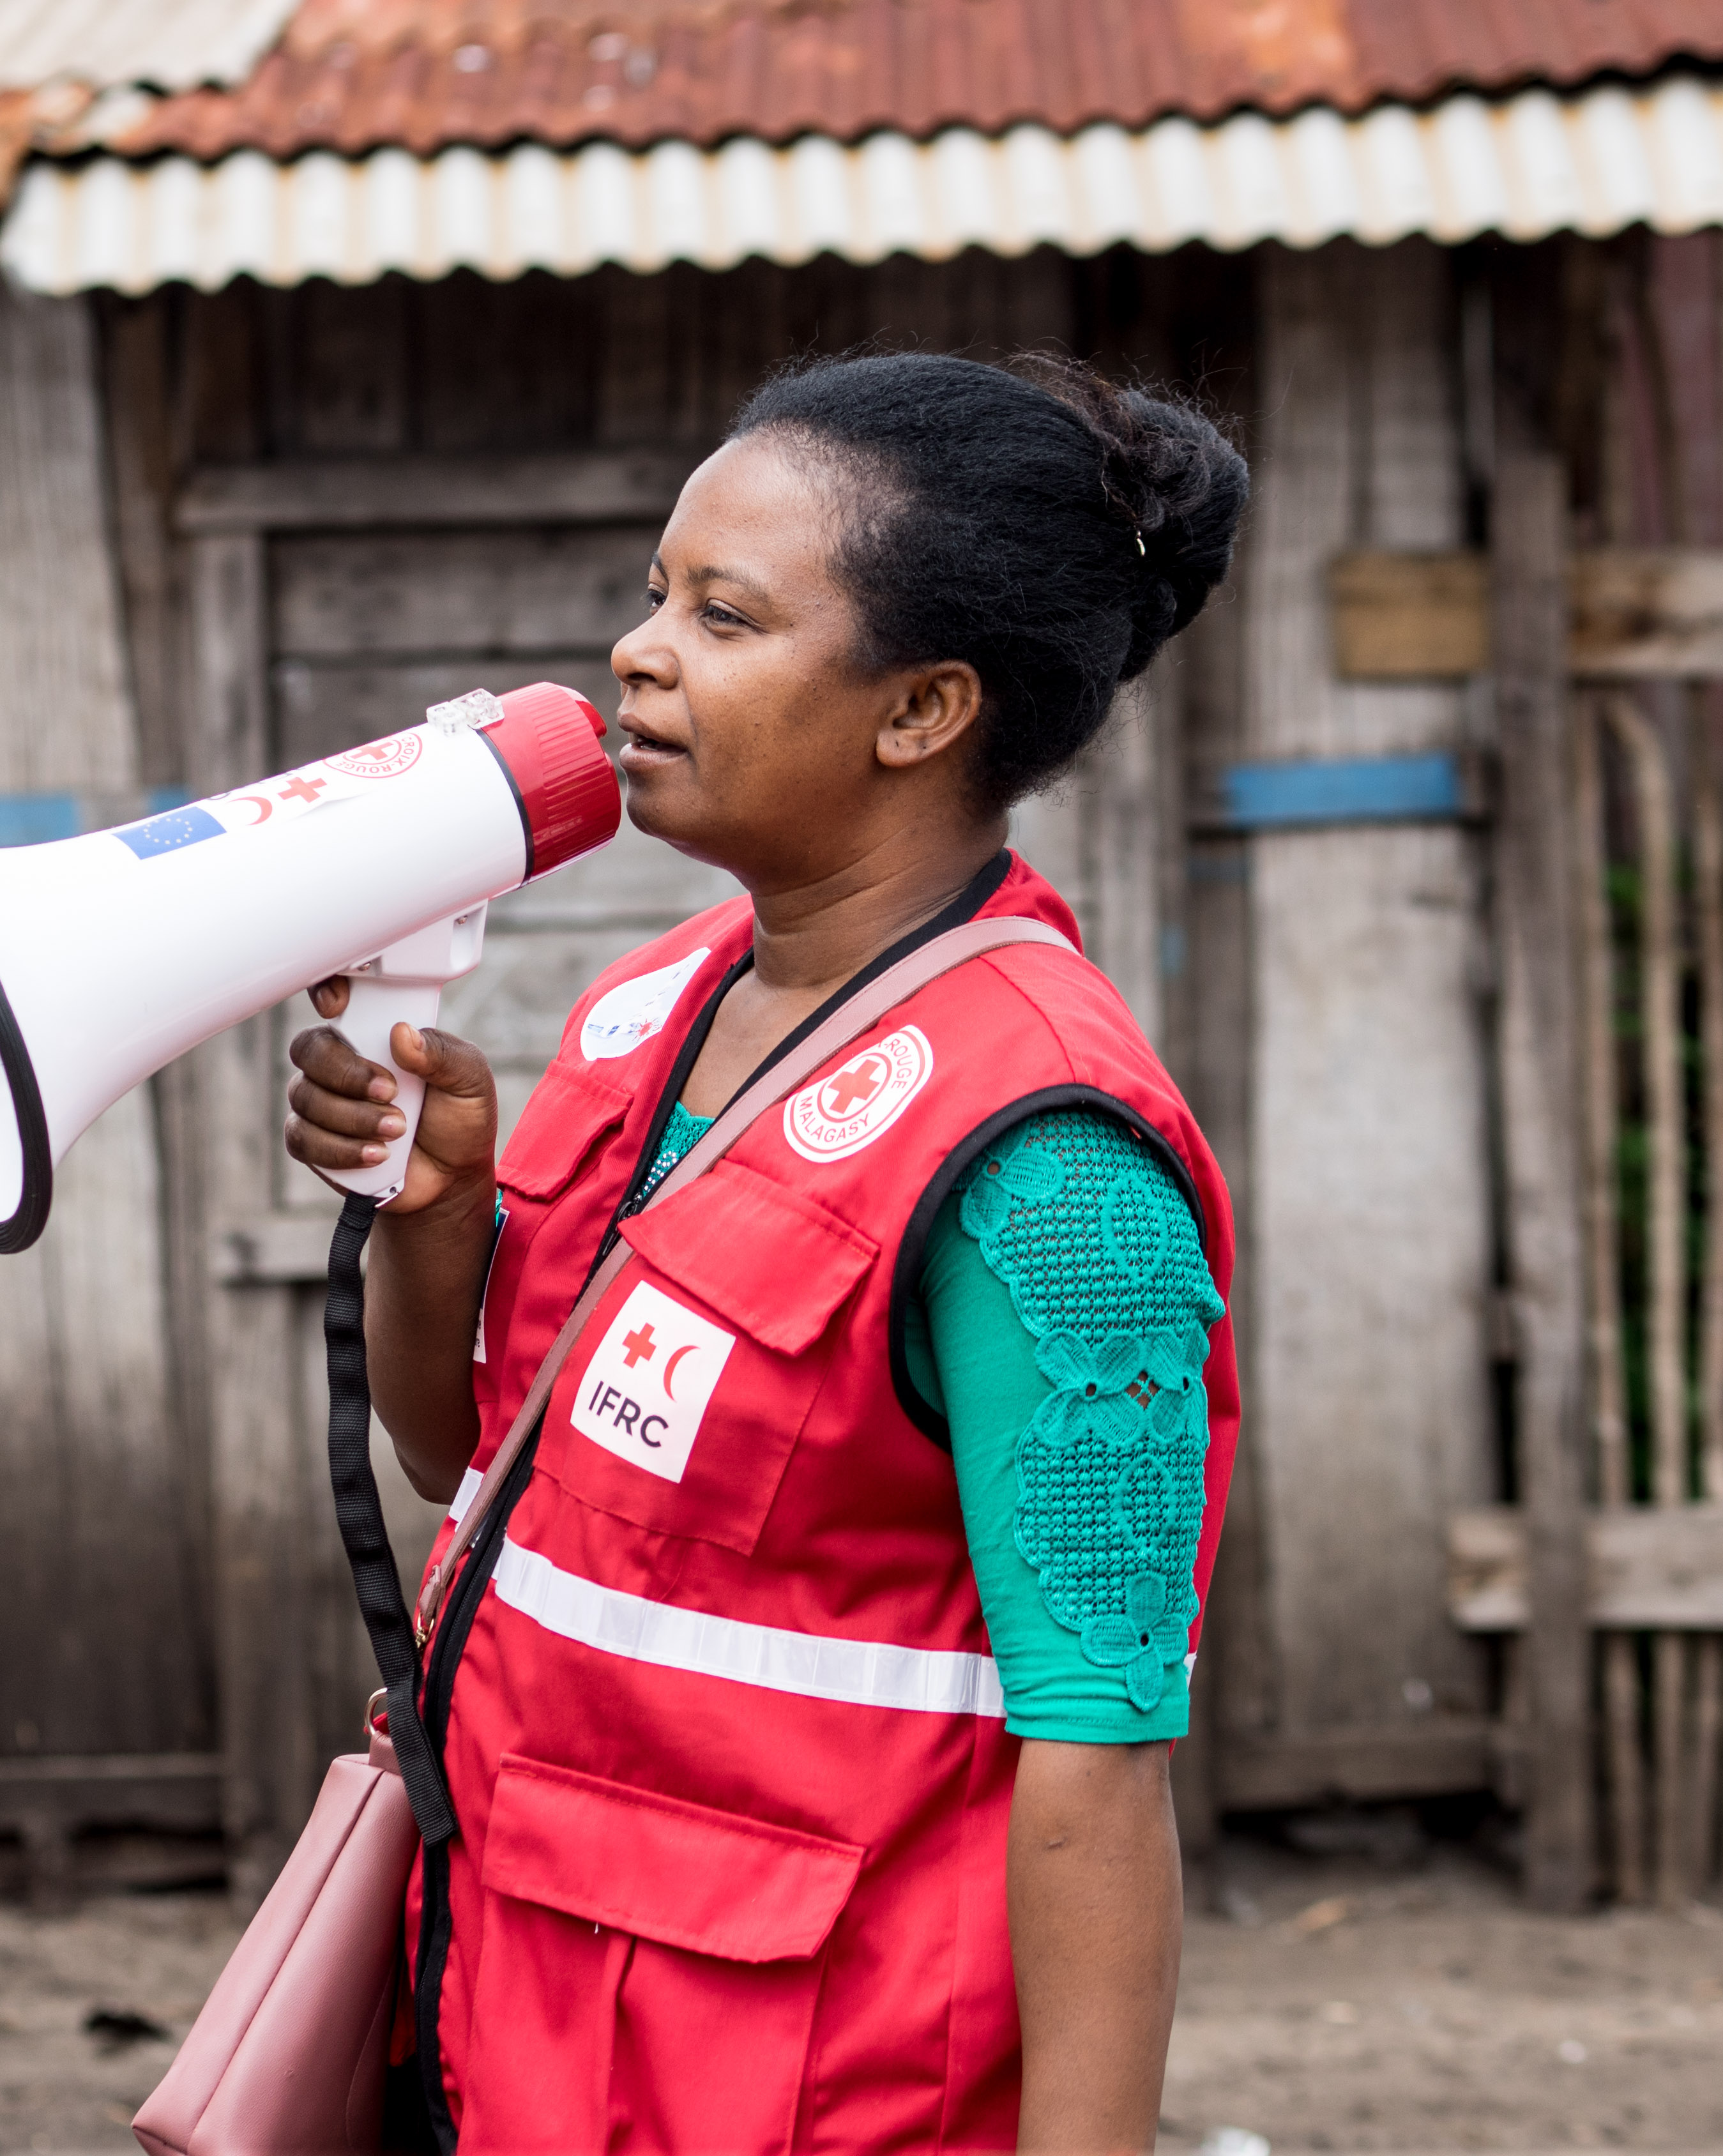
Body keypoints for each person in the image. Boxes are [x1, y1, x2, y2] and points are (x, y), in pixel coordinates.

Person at [286, 353, 1250, 2154]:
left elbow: (1102, 1767)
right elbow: (461, 1459)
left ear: (922, 709)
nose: (639, 652)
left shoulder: (1052, 1169)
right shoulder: (652, 1005)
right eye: (657, 597)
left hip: (818, 2081)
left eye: (723, 618)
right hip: (517, 2009)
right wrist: (437, 1214)